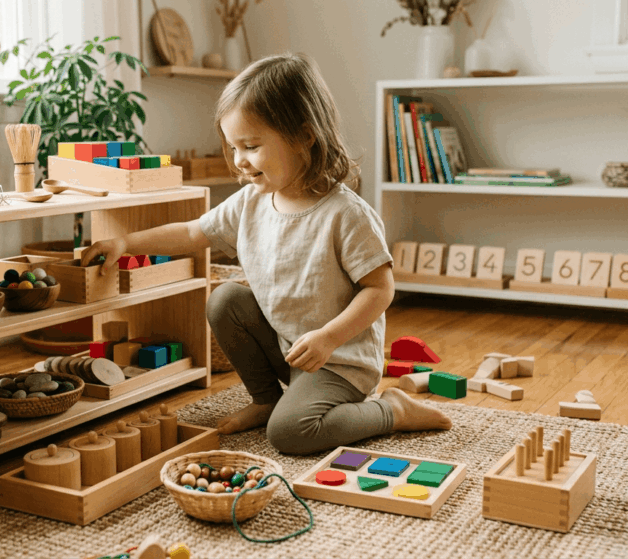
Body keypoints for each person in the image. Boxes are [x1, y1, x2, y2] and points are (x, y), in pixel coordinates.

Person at [81, 53, 451, 454]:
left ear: (304, 136)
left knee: (291, 433)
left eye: (252, 145)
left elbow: (380, 290)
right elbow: (191, 232)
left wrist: (328, 338)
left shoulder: (346, 214)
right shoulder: (252, 200)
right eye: (234, 146)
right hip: (288, 347)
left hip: (339, 360)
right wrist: (125, 243)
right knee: (225, 299)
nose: (239, 159)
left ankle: (392, 410)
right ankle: (266, 399)